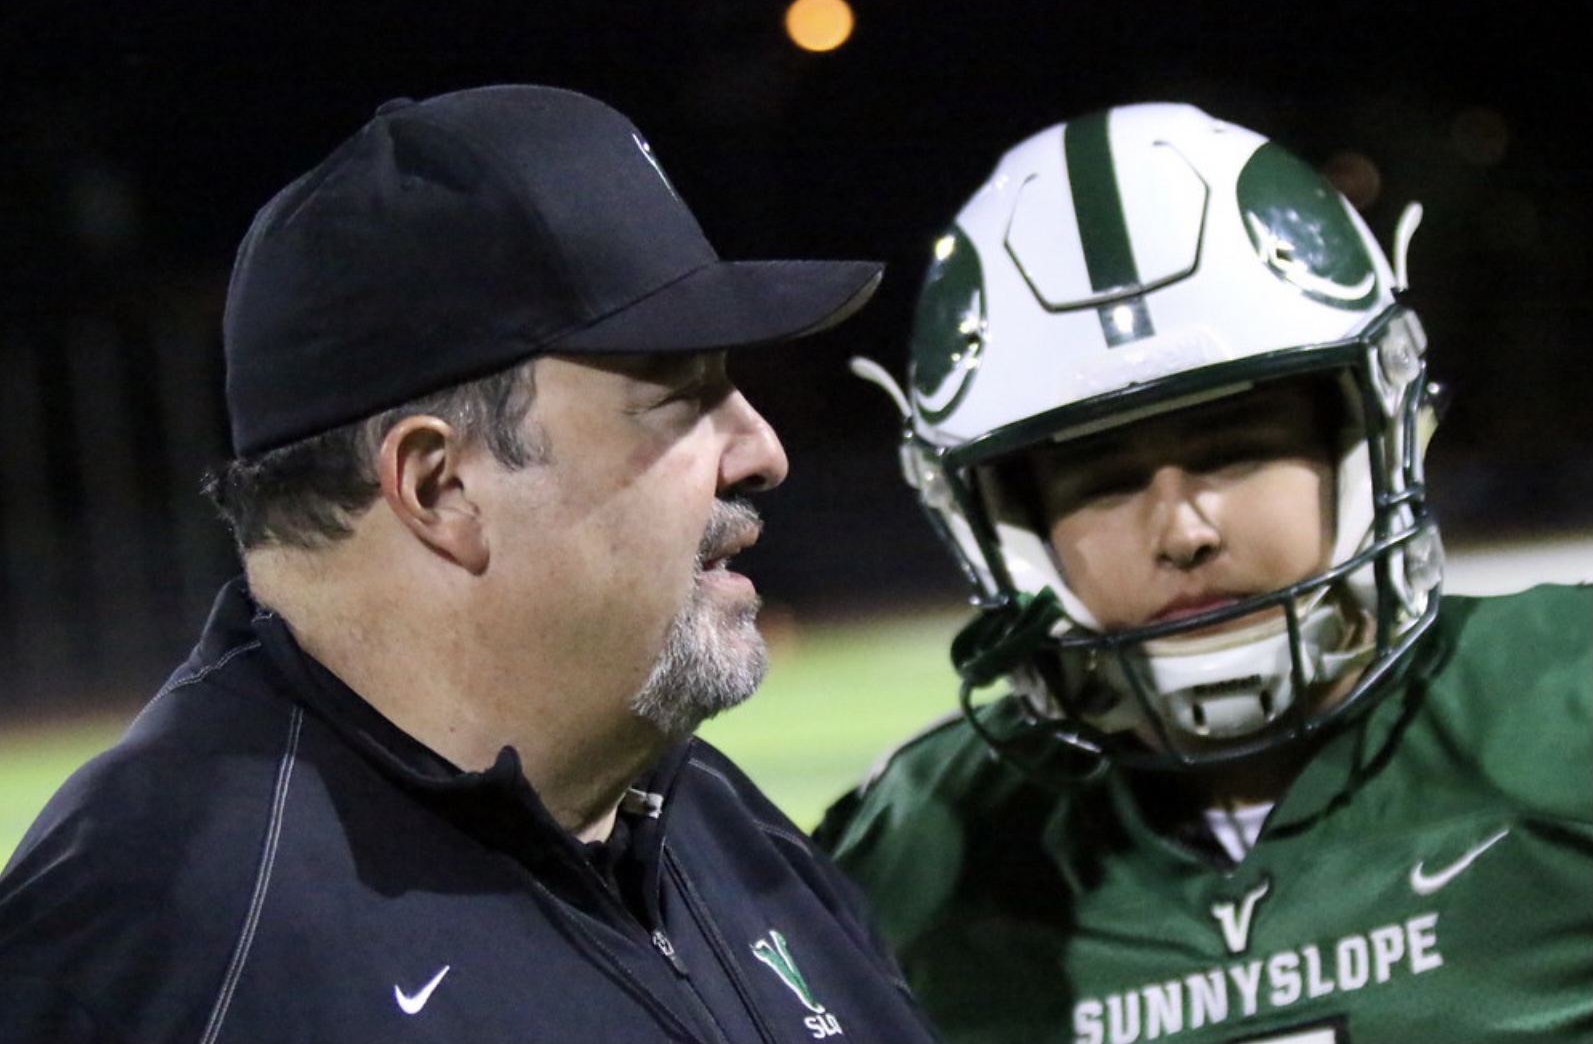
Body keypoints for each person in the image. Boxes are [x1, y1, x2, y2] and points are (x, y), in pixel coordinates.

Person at [0, 84, 939, 1044]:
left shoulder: (720, 826)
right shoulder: (150, 950)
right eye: (681, 396)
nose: (761, 448)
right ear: (441, 485)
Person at [818, 102, 1592, 1043]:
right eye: (1102, 481)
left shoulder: (1568, 706)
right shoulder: (919, 853)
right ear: (1003, 524)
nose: (1180, 528)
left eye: (1234, 450)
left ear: (1367, 433)